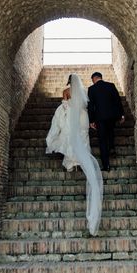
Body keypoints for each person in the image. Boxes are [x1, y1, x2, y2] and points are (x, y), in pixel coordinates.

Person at [46, 74, 103, 235]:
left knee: (71, 138)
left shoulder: (66, 91)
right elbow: (86, 105)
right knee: (83, 139)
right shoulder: (84, 91)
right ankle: (81, 159)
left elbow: (65, 105)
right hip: (83, 117)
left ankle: (72, 161)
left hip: (73, 116)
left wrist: (66, 109)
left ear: (69, 82)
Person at [87, 72, 125, 172]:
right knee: (111, 131)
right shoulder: (111, 85)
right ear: (101, 77)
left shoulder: (92, 89)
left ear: (94, 79)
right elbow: (118, 100)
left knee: (102, 140)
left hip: (100, 118)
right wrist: (122, 114)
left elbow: (91, 106)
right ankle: (112, 146)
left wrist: (91, 120)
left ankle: (106, 165)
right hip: (112, 116)